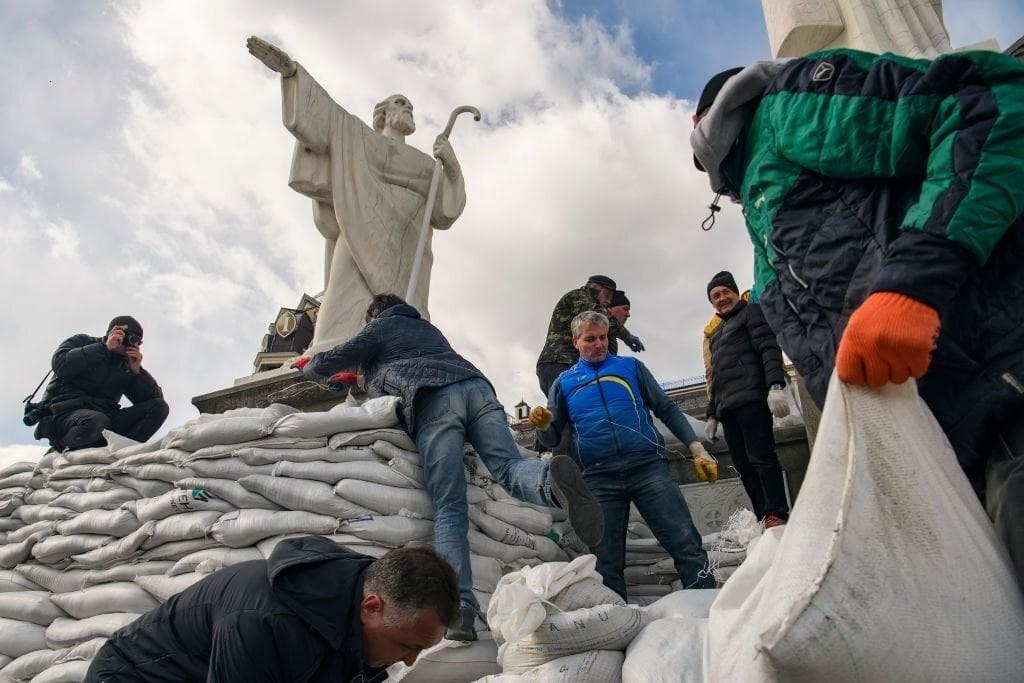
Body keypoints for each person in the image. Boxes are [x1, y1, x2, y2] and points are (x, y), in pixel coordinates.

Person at [691, 49, 1024, 585]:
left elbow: (989, 101)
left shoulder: (790, 106)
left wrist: (913, 285)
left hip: (999, 385)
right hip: (943, 445)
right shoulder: (759, 213)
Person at [292, 294, 604, 640]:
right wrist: (356, 379)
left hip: (435, 398)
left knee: (450, 506)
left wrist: (309, 366)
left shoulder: (384, 324)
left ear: (374, 316)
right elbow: (392, 366)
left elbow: (340, 355)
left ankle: (460, 609)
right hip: (478, 389)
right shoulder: (426, 330)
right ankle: (551, 480)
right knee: (508, 468)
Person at [248, 36, 469, 356]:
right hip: (361, 225)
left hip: (410, 246)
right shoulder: (359, 137)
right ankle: (330, 354)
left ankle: (400, 350)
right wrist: (292, 72)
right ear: (383, 115)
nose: (408, 108)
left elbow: (444, 213)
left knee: (408, 312)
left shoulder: (427, 165)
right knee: (344, 301)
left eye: (410, 106)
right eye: (400, 103)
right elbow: (326, 118)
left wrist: (451, 166)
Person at [85, 537, 459, 682]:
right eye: (408, 646)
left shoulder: (357, 624)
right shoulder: (263, 621)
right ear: (371, 607)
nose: (409, 661)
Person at [531, 311, 719, 598]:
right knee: (606, 561)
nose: (599, 344)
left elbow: (665, 407)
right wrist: (543, 425)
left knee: (685, 542)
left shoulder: (631, 367)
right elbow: (552, 437)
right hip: (599, 479)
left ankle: (709, 604)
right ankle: (617, 619)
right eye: (590, 339)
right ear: (575, 342)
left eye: (603, 337)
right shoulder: (564, 383)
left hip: (648, 469)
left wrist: (697, 448)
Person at [704, 271, 791, 528]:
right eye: (715, 296)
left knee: (761, 457)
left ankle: (777, 512)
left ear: (735, 292)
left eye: (725, 292)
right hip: (728, 408)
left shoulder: (752, 313)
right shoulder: (716, 334)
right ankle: (763, 515)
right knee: (743, 465)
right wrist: (712, 414)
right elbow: (716, 377)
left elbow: (769, 349)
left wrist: (775, 385)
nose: (722, 298)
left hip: (752, 399)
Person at [30, 316, 168, 452]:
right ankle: (61, 447)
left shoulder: (126, 366)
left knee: (159, 407)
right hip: (65, 416)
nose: (129, 343)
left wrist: (137, 372)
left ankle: (123, 452)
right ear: (111, 332)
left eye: (136, 341)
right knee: (97, 421)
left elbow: (152, 401)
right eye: (126, 337)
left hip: (104, 419)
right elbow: (60, 365)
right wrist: (104, 348)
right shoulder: (82, 342)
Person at [535, 275, 644, 397]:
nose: (608, 302)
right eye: (607, 295)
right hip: (557, 363)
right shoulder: (578, 296)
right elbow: (598, 316)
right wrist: (627, 336)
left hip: (569, 365)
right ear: (595, 287)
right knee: (573, 404)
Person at [606, 290, 631, 356]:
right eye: (625, 309)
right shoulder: (595, 329)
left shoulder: (611, 335)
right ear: (609, 308)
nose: (628, 314)